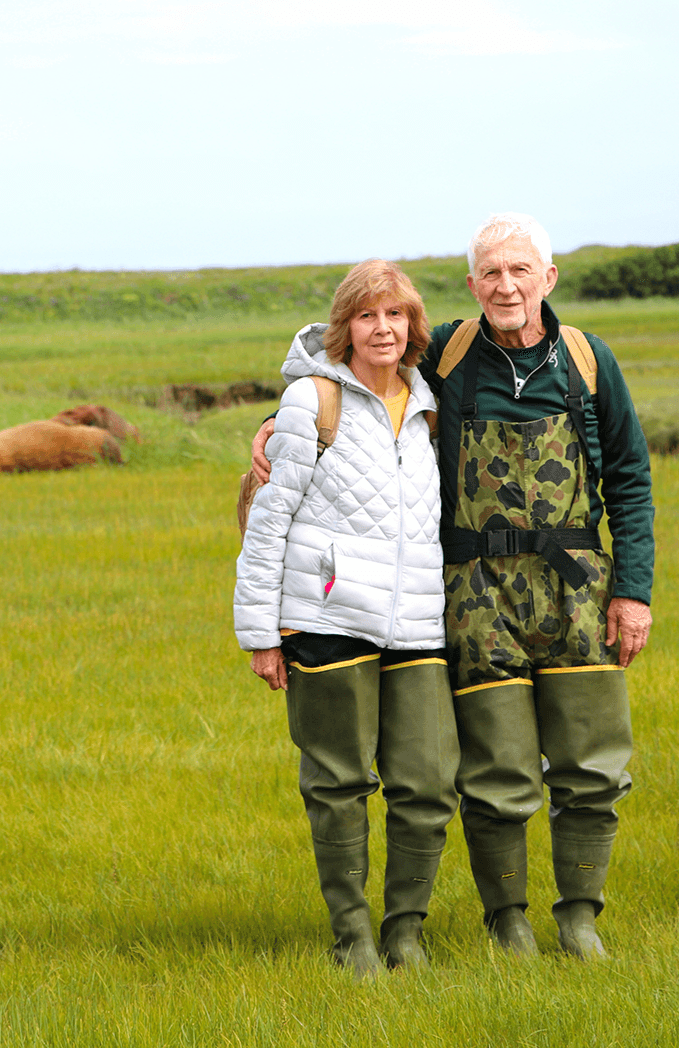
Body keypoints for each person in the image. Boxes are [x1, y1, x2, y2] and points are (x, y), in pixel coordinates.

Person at [249, 214, 655, 959]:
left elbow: (630, 479)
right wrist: (282, 420)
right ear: (472, 284)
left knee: (594, 766)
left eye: (520, 271)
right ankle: (509, 920)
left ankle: (580, 919)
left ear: (548, 278)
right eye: (491, 273)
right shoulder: (452, 358)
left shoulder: (589, 361)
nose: (506, 286)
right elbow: (368, 379)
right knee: (496, 772)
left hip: (577, 589)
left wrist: (634, 591)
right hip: (474, 597)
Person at [234, 259, 458, 978]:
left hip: (419, 620)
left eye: (395, 315)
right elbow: (269, 522)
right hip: (326, 616)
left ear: (414, 325)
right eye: (367, 316)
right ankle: (353, 936)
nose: (383, 328)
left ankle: (406, 930)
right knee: (337, 783)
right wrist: (261, 632)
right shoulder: (311, 401)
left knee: (427, 782)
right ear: (345, 327)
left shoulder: (431, 403)